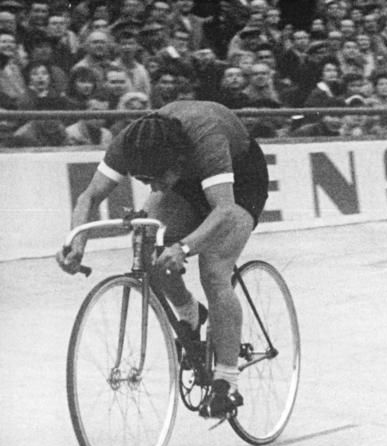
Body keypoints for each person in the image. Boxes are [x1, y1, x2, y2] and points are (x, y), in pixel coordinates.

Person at [56, 100, 270, 420]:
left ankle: (228, 380)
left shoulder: (205, 141)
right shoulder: (129, 143)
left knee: (213, 270)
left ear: (177, 161)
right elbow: (89, 196)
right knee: (146, 242)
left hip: (239, 181)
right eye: (145, 180)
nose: (153, 187)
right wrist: (77, 240)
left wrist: (183, 248)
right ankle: (190, 312)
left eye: (158, 179)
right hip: (185, 181)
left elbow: (223, 211)